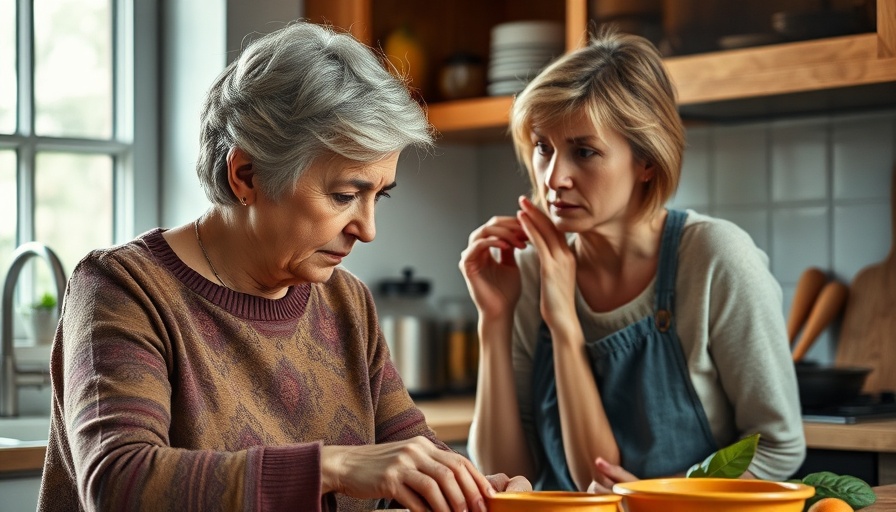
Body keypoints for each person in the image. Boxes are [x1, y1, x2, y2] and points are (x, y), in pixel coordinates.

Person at [38, 21, 528, 512]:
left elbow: (409, 457)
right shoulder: (124, 289)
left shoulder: (346, 301)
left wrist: (479, 493)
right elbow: (120, 484)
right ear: (246, 174)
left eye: (379, 196)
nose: (368, 228)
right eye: (344, 195)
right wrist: (334, 467)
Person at [460, 30, 806, 493]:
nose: (554, 178)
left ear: (646, 160)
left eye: (584, 151)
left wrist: (669, 502)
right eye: (544, 147)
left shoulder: (715, 259)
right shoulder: (530, 269)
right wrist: (494, 320)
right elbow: (502, 470)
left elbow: (778, 445)